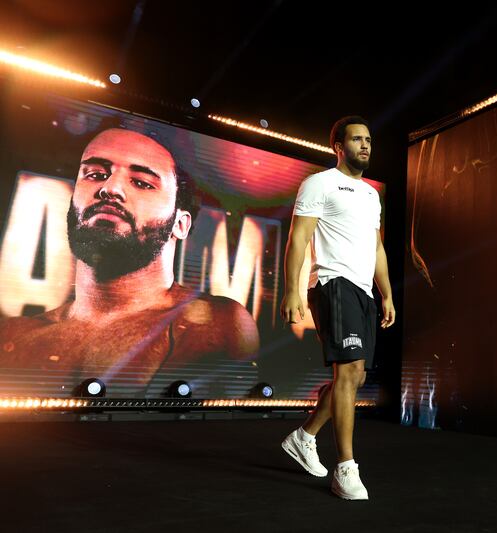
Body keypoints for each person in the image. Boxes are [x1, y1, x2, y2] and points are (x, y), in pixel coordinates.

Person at [0, 128, 259, 387]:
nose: (110, 188)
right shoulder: (13, 335)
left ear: (180, 224)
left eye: (142, 182)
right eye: (95, 175)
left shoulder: (216, 323)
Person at [280, 116, 395, 500]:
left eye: (368, 140)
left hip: (363, 290)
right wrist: (292, 291)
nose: (365, 146)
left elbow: (376, 247)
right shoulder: (320, 184)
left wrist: (387, 294)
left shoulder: (371, 195)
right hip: (332, 284)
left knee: (356, 378)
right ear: (338, 146)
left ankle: (304, 436)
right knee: (347, 373)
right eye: (357, 139)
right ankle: (345, 467)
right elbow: (298, 238)